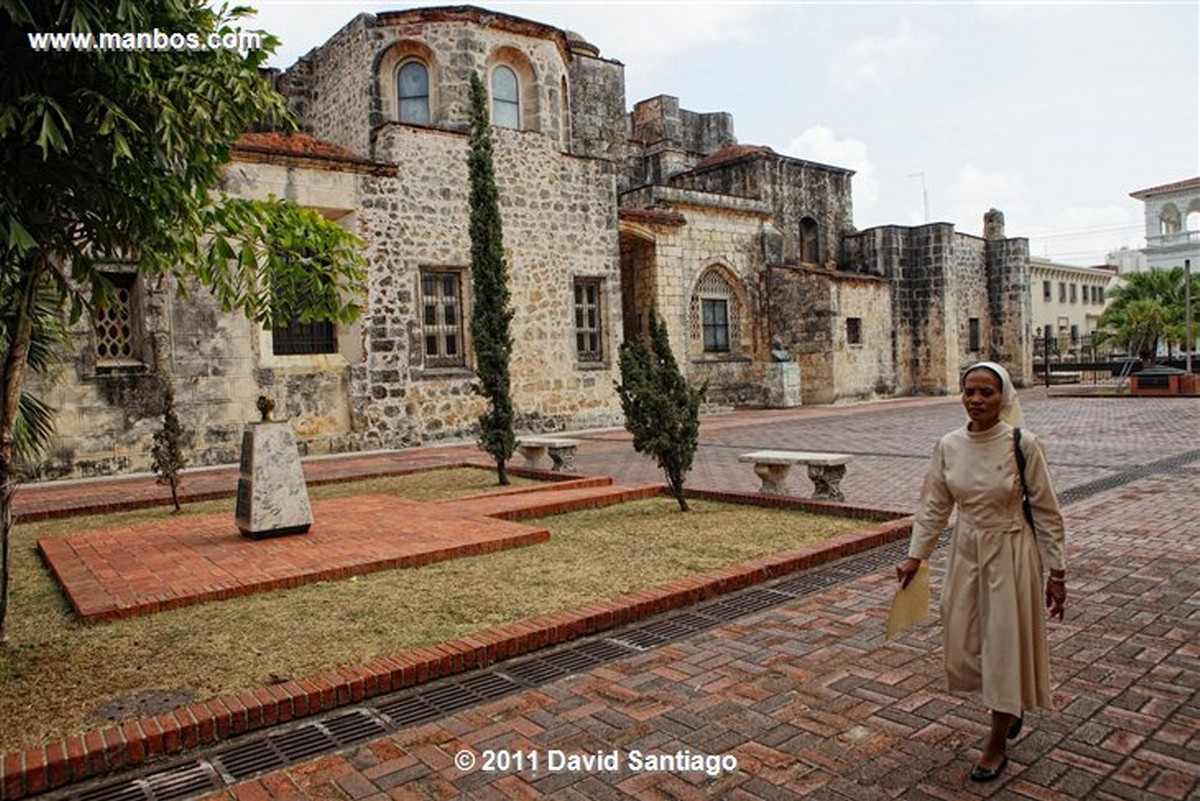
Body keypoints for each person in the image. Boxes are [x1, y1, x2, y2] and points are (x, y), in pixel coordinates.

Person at [895, 361, 1066, 782]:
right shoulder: (949, 445)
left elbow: (1046, 512)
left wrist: (1057, 573)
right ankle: (1009, 705)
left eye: (986, 392)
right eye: (969, 391)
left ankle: (996, 740)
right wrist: (916, 556)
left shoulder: (1023, 445)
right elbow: (935, 505)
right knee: (966, 639)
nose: (976, 400)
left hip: (1011, 552)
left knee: (1003, 642)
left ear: (1003, 397)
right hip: (966, 551)